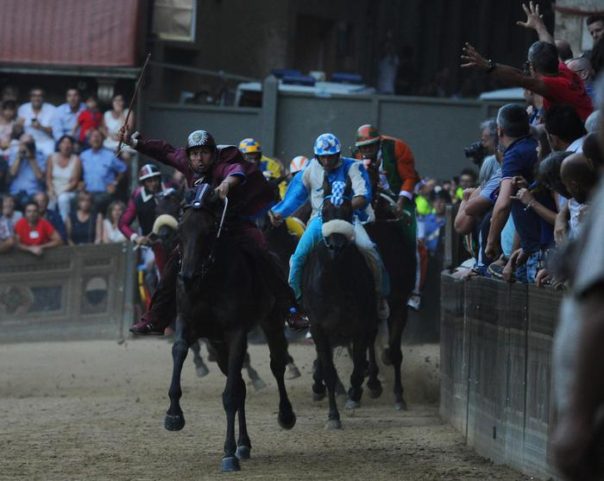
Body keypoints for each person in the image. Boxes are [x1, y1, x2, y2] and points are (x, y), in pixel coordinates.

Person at [119, 127, 291, 335]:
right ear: (189, 156)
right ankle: (155, 319)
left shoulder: (222, 165)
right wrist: (134, 142)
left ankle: (290, 309)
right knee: (172, 264)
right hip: (202, 229)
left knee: (263, 252)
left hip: (233, 224)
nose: (199, 159)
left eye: (204, 153)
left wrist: (226, 184)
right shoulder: (186, 163)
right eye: (194, 154)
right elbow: (164, 152)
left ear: (213, 153)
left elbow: (236, 171)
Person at [270, 133, 389, 325]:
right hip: (319, 219)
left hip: (349, 217)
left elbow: (364, 195)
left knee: (369, 249)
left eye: (331, 156)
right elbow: (296, 195)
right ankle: (295, 305)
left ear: (338, 154)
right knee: (298, 257)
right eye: (322, 157)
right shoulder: (310, 169)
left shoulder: (353, 166)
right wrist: (279, 212)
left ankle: (379, 296)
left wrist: (343, 207)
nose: (326, 161)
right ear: (316, 156)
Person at [352, 123, 421, 308]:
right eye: (363, 148)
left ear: (379, 142)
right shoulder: (356, 156)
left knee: (415, 240)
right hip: (369, 198)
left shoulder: (397, 147)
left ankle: (415, 291)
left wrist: (400, 202)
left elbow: (409, 178)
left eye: (371, 146)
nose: (367, 151)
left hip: (399, 198)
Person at [461, 40, 593, 122]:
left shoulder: (553, 85)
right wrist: (539, 26)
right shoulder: (563, 70)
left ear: (532, 66)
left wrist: (488, 66)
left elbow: (520, 78)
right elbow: (548, 46)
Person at [484, 104, 544, 284]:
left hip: (537, 250)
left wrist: (490, 242)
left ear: (500, 130)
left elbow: (503, 204)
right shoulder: (535, 146)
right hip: (536, 244)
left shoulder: (514, 154)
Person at [118, 164, 169, 272]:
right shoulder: (138, 198)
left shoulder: (170, 190)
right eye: (149, 181)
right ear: (143, 183)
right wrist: (136, 238)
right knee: (155, 268)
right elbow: (122, 224)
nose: (153, 183)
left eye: (155, 179)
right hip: (152, 244)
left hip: (175, 240)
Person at [79, 129, 127, 215]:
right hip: (87, 192)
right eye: (93, 136)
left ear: (102, 139)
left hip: (104, 192)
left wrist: (115, 183)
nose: (96, 139)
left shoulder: (110, 155)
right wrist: (80, 182)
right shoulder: (83, 156)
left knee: (95, 203)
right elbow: (79, 172)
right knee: (74, 200)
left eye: (98, 136)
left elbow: (123, 169)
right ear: (89, 140)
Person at [46, 135, 81, 221]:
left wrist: (61, 192)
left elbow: (74, 182)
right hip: (54, 188)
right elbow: (48, 178)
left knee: (63, 198)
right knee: (50, 198)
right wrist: (51, 189)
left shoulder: (76, 159)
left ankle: (64, 222)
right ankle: (49, 223)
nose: (66, 145)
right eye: (64, 143)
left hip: (68, 190)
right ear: (59, 145)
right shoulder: (52, 157)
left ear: (72, 146)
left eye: (69, 143)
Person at [17, 88, 56, 157]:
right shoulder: (23, 108)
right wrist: (18, 126)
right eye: (34, 96)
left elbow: (55, 131)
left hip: (46, 141)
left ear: (43, 98)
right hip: (28, 141)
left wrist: (41, 127)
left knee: (50, 156)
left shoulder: (52, 109)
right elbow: (17, 132)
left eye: (39, 96)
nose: (36, 98)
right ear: (30, 97)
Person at [8, 134, 46, 205]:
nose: (25, 146)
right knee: (7, 201)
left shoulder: (39, 154)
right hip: (15, 192)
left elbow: (40, 177)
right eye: (23, 144)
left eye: (28, 144)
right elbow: (12, 173)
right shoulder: (14, 153)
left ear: (33, 144)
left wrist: (31, 158)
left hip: (34, 192)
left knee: (41, 198)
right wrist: (19, 157)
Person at [101, 93, 134, 158]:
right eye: (115, 100)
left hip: (124, 143)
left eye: (120, 100)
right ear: (112, 102)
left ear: (123, 102)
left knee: (126, 155)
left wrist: (121, 113)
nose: (117, 102)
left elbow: (129, 129)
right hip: (110, 142)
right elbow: (103, 129)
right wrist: (111, 136)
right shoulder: (107, 114)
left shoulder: (128, 112)